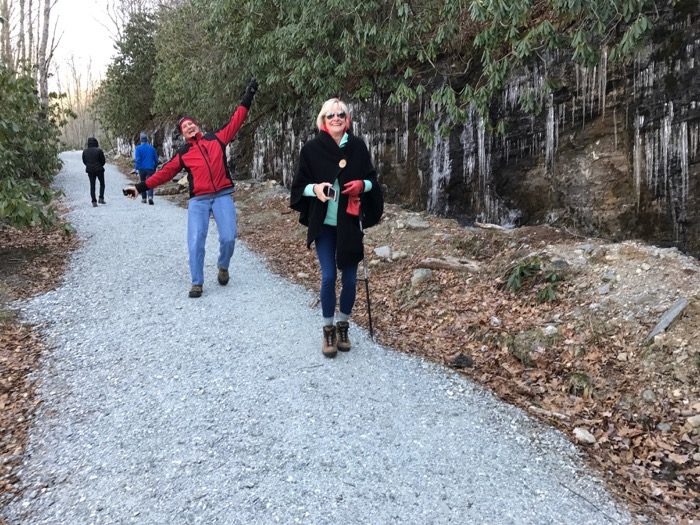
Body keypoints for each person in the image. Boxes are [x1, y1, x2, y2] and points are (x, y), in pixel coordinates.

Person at [123, 78, 258, 298]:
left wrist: (248, 95)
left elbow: (236, 120)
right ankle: (197, 282)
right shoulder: (183, 154)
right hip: (199, 200)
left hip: (222, 195)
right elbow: (165, 173)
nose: (189, 126)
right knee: (195, 241)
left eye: (191, 123)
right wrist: (140, 187)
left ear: (197, 126)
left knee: (229, 237)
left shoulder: (217, 139)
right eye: (185, 127)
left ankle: (223, 266)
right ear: (183, 134)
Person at [290, 98, 383, 358]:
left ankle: (344, 325)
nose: (336, 118)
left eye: (341, 114)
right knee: (329, 276)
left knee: (351, 279)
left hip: (350, 223)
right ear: (323, 120)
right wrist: (316, 189)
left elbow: (372, 180)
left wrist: (361, 186)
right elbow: (298, 188)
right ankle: (328, 330)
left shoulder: (357, 147)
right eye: (330, 115)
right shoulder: (311, 149)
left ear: (347, 119)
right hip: (325, 226)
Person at [134, 131, 159, 205]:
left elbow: (137, 160)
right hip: (150, 168)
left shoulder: (138, 148)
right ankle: (150, 197)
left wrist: (136, 168)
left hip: (142, 169)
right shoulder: (152, 148)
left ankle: (144, 198)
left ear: (141, 140)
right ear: (147, 140)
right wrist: (154, 167)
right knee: (150, 182)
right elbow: (156, 160)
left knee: (143, 182)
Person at [82, 137, 106, 207]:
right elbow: (103, 161)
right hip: (99, 170)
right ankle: (101, 198)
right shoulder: (99, 150)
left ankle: (94, 201)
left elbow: (84, 161)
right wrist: (99, 165)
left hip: (90, 170)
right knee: (102, 184)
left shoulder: (85, 151)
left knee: (92, 186)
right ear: (96, 142)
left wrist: (88, 165)